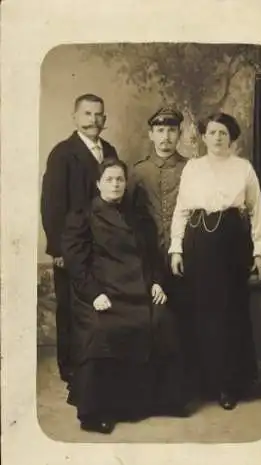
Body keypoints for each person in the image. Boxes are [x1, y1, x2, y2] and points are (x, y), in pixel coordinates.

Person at [61, 157, 185, 434]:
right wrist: (94, 294)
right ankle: (100, 410)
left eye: (119, 179)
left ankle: (159, 401)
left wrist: (156, 283)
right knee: (105, 330)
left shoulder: (137, 217)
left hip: (139, 291)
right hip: (104, 293)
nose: (115, 185)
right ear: (98, 183)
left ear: (125, 183)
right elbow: (76, 263)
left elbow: (151, 256)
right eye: (109, 179)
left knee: (162, 321)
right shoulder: (82, 216)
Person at [169, 112, 261, 410]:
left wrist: (260, 252)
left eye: (223, 133)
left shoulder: (243, 168)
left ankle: (229, 384)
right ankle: (202, 383)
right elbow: (181, 210)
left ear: (232, 137)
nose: (217, 138)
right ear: (203, 136)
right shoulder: (192, 168)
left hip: (230, 244)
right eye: (212, 132)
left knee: (229, 313)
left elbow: (257, 211)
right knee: (199, 311)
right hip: (197, 243)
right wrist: (176, 248)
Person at [40, 94, 118, 384]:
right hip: (71, 244)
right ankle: (69, 366)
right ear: (75, 118)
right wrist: (57, 247)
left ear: (105, 119)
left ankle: (95, 362)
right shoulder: (62, 153)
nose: (93, 120)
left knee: (96, 299)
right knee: (70, 303)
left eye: (99, 115)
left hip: (102, 241)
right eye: (87, 114)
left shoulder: (108, 149)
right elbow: (51, 203)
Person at [129, 106, 194, 405]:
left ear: (179, 134)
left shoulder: (192, 168)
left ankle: (186, 388)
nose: (166, 137)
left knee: (186, 318)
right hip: (149, 259)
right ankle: (151, 389)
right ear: (151, 133)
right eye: (160, 131)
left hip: (184, 257)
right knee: (153, 321)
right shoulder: (138, 171)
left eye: (171, 131)